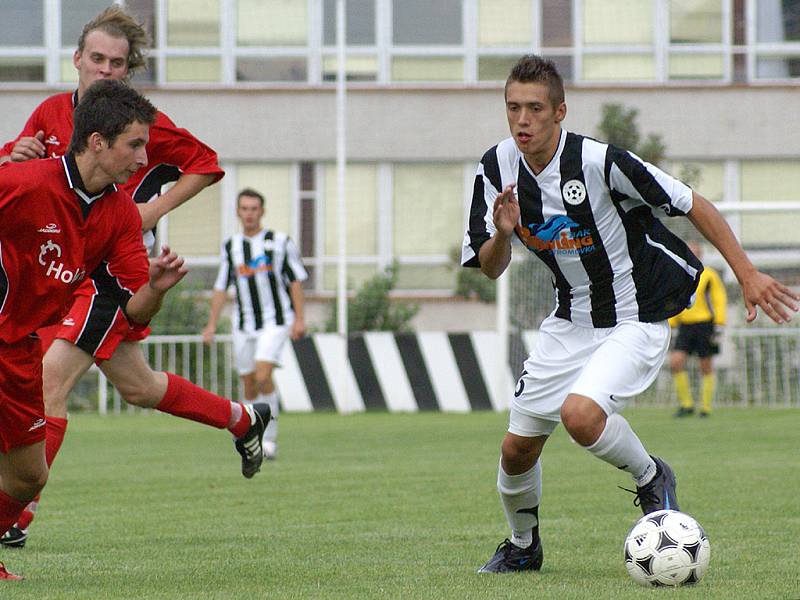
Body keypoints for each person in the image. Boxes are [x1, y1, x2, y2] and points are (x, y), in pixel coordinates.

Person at [461, 54, 798, 574]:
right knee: (514, 452)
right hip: (568, 322)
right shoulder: (494, 168)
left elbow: (693, 203)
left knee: (580, 416)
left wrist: (748, 274)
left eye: (534, 108)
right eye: (513, 108)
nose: (522, 120)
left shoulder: (600, 162)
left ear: (560, 111)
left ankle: (650, 477)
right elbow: (490, 269)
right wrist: (503, 232)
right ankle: (523, 546)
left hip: (633, 317)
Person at [0, 7, 265, 550]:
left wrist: (147, 213)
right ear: (76, 60)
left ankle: (16, 518)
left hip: (104, 270)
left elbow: (207, 164)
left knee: (50, 381)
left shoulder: (137, 124)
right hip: (52, 272)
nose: (105, 70)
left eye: (117, 63)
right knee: (139, 386)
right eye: (96, 59)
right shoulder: (51, 113)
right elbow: (20, 178)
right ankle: (241, 419)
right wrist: (12, 152)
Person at [203, 189, 308, 460]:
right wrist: (211, 324)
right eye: (244, 208)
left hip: (275, 320)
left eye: (254, 208)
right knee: (249, 383)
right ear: (238, 212)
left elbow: (295, 280)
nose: (249, 213)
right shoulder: (231, 247)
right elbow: (220, 287)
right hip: (243, 324)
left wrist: (300, 318)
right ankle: (253, 437)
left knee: (263, 375)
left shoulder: (280, 242)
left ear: (262, 212)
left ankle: (270, 440)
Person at [669, 241, 727, 418]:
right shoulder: (679, 274)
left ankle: (705, 407)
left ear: (700, 255)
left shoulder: (709, 275)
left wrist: (719, 323)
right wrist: (671, 324)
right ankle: (687, 405)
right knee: (676, 362)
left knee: (706, 366)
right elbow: (675, 300)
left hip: (704, 325)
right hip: (685, 326)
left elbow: (718, 298)